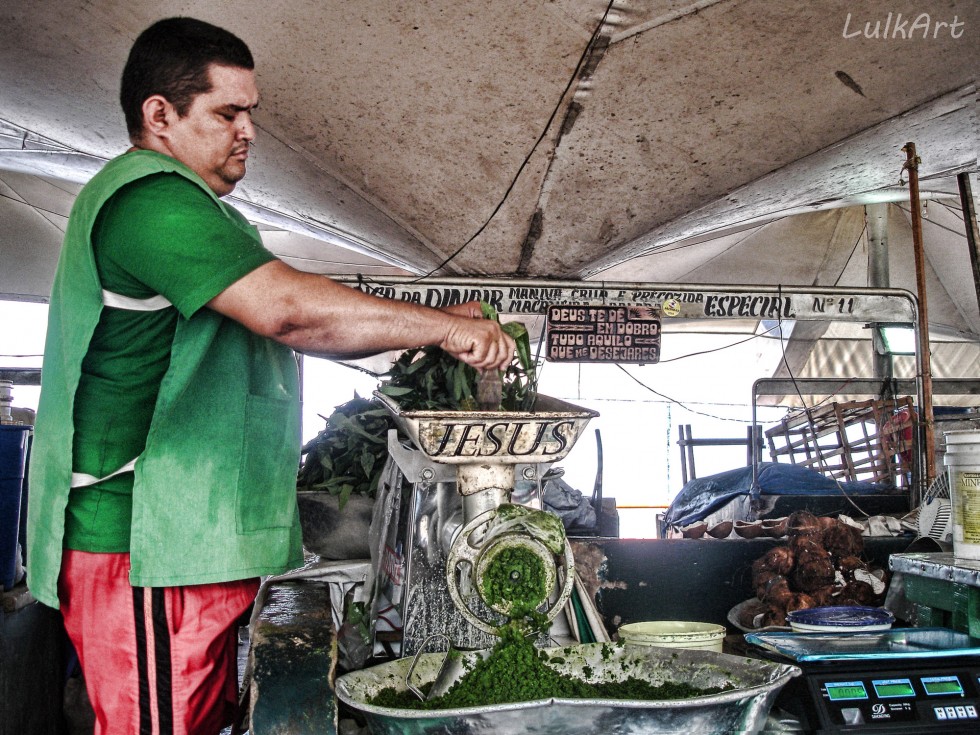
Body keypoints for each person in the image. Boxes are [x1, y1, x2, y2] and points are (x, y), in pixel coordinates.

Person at [26, 16, 514, 735]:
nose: (248, 130)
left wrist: (436, 324)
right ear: (159, 114)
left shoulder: (204, 215)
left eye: (250, 112)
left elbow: (311, 329)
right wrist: (442, 326)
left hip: (185, 539)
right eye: (227, 112)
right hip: (144, 544)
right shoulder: (149, 201)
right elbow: (286, 310)